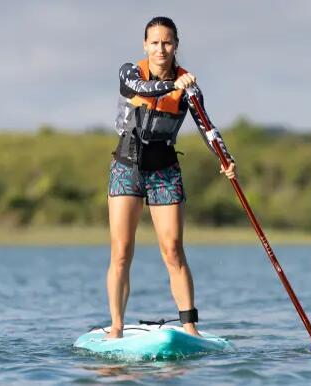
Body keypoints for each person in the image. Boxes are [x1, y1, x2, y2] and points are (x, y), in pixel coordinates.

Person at [105, 16, 237, 339]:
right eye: (154, 42)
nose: (160, 49)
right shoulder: (131, 72)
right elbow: (139, 89)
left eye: (167, 43)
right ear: (145, 45)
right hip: (127, 165)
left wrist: (225, 157)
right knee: (121, 250)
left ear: (176, 45)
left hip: (164, 169)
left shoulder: (188, 87)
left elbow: (207, 127)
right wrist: (173, 85)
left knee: (173, 249)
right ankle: (117, 328)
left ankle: (190, 326)